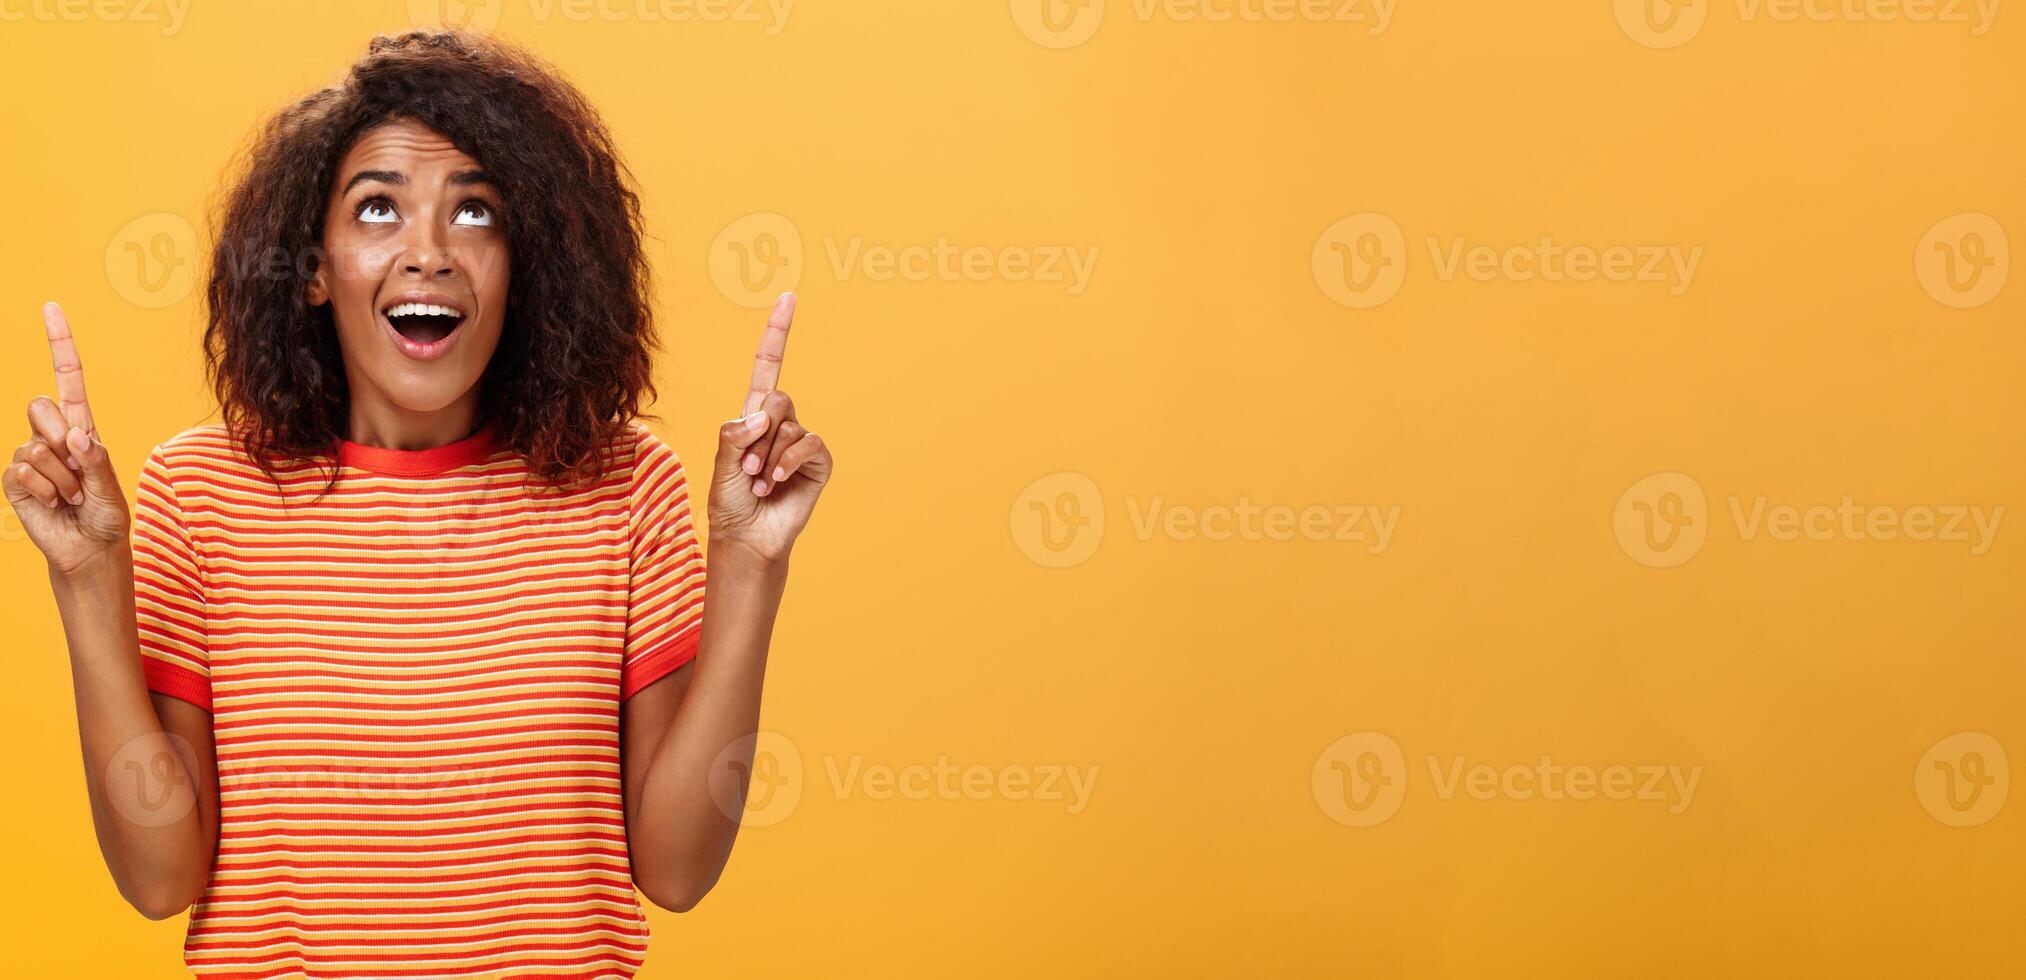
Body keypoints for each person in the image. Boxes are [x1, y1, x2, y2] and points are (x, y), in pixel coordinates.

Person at [3, 30, 831, 977]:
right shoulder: (202, 494)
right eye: (378, 209)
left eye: (475, 212)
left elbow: (678, 870)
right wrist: (84, 579)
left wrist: (752, 564)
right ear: (314, 269)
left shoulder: (621, 483)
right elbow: (160, 880)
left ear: (528, 267)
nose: (429, 252)